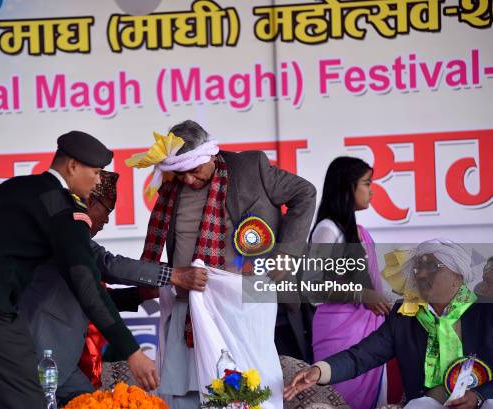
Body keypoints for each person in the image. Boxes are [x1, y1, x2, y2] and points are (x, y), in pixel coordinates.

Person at [0, 131, 158, 409]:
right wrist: (131, 350)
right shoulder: (64, 208)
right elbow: (85, 280)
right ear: (72, 166)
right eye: (94, 172)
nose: (97, 181)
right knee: (27, 398)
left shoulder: (16, 187)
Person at [126, 120, 317, 408]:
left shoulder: (251, 168)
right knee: (184, 396)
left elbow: (305, 193)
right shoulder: (171, 187)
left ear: (211, 155)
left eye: (194, 170)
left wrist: (286, 254)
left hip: (243, 304)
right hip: (188, 307)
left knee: (250, 395)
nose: (188, 180)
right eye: (181, 173)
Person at [19, 170, 207, 406]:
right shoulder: (65, 235)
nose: (107, 219)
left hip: (62, 360)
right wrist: (173, 275)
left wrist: (139, 294)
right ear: (89, 202)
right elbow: (109, 264)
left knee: (91, 402)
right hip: (43, 351)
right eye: (107, 209)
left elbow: (94, 299)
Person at [286, 239, 493, 409]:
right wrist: (320, 371)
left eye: (431, 267)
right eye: (417, 268)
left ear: (457, 277)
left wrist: (478, 396)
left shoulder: (485, 310)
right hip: (430, 401)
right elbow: (363, 355)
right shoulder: (406, 315)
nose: (420, 274)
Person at [308, 156, 398, 409]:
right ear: (349, 186)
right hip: (338, 333)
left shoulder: (360, 232)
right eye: (367, 183)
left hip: (370, 333)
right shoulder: (328, 229)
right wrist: (362, 295)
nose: (372, 191)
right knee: (339, 399)